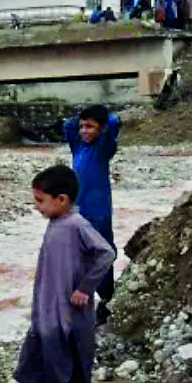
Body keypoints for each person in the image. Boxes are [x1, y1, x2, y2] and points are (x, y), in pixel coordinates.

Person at [4, 165, 115, 383]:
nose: (36, 207)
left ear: (61, 199)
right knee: (30, 365)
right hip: (44, 312)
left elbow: (106, 253)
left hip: (65, 315)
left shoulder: (77, 225)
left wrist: (85, 288)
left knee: (64, 367)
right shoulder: (57, 224)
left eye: (40, 201)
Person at [63, 104, 121, 325]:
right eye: (82, 127)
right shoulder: (78, 147)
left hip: (99, 214)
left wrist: (101, 116)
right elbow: (68, 125)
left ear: (101, 129)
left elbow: (114, 121)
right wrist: (84, 116)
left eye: (90, 127)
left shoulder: (103, 148)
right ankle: (81, 305)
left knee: (102, 255)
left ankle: (107, 301)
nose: (84, 131)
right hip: (78, 214)